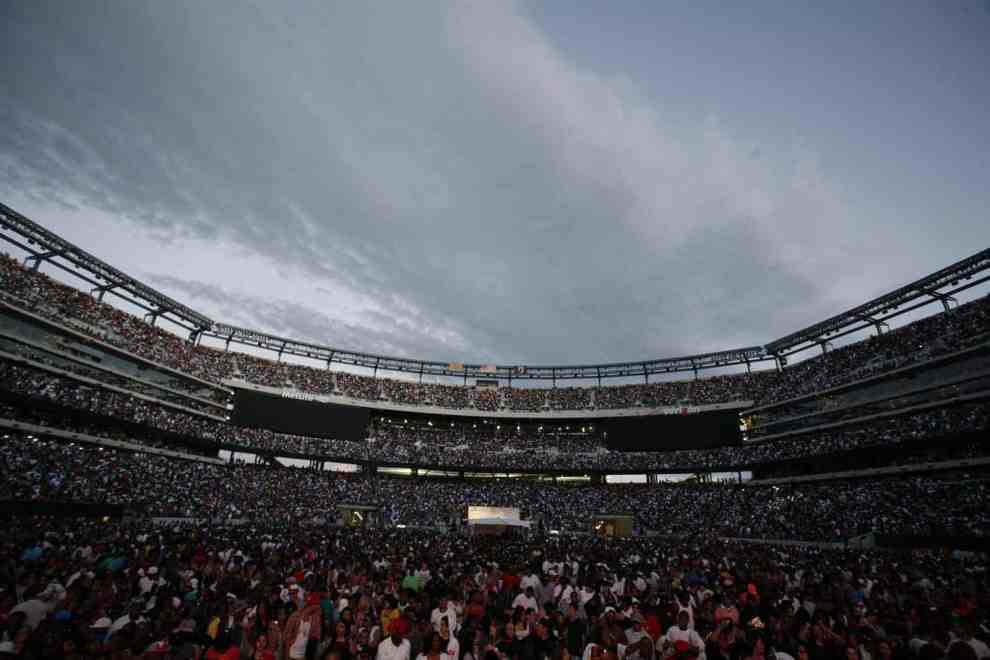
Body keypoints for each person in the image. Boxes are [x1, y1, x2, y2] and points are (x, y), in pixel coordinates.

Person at [285, 593, 324, 660]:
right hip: (291, 655)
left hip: (302, 656)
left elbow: (313, 638)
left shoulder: (314, 619)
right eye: (318, 607)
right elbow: (287, 637)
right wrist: (287, 656)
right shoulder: (295, 616)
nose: (319, 611)